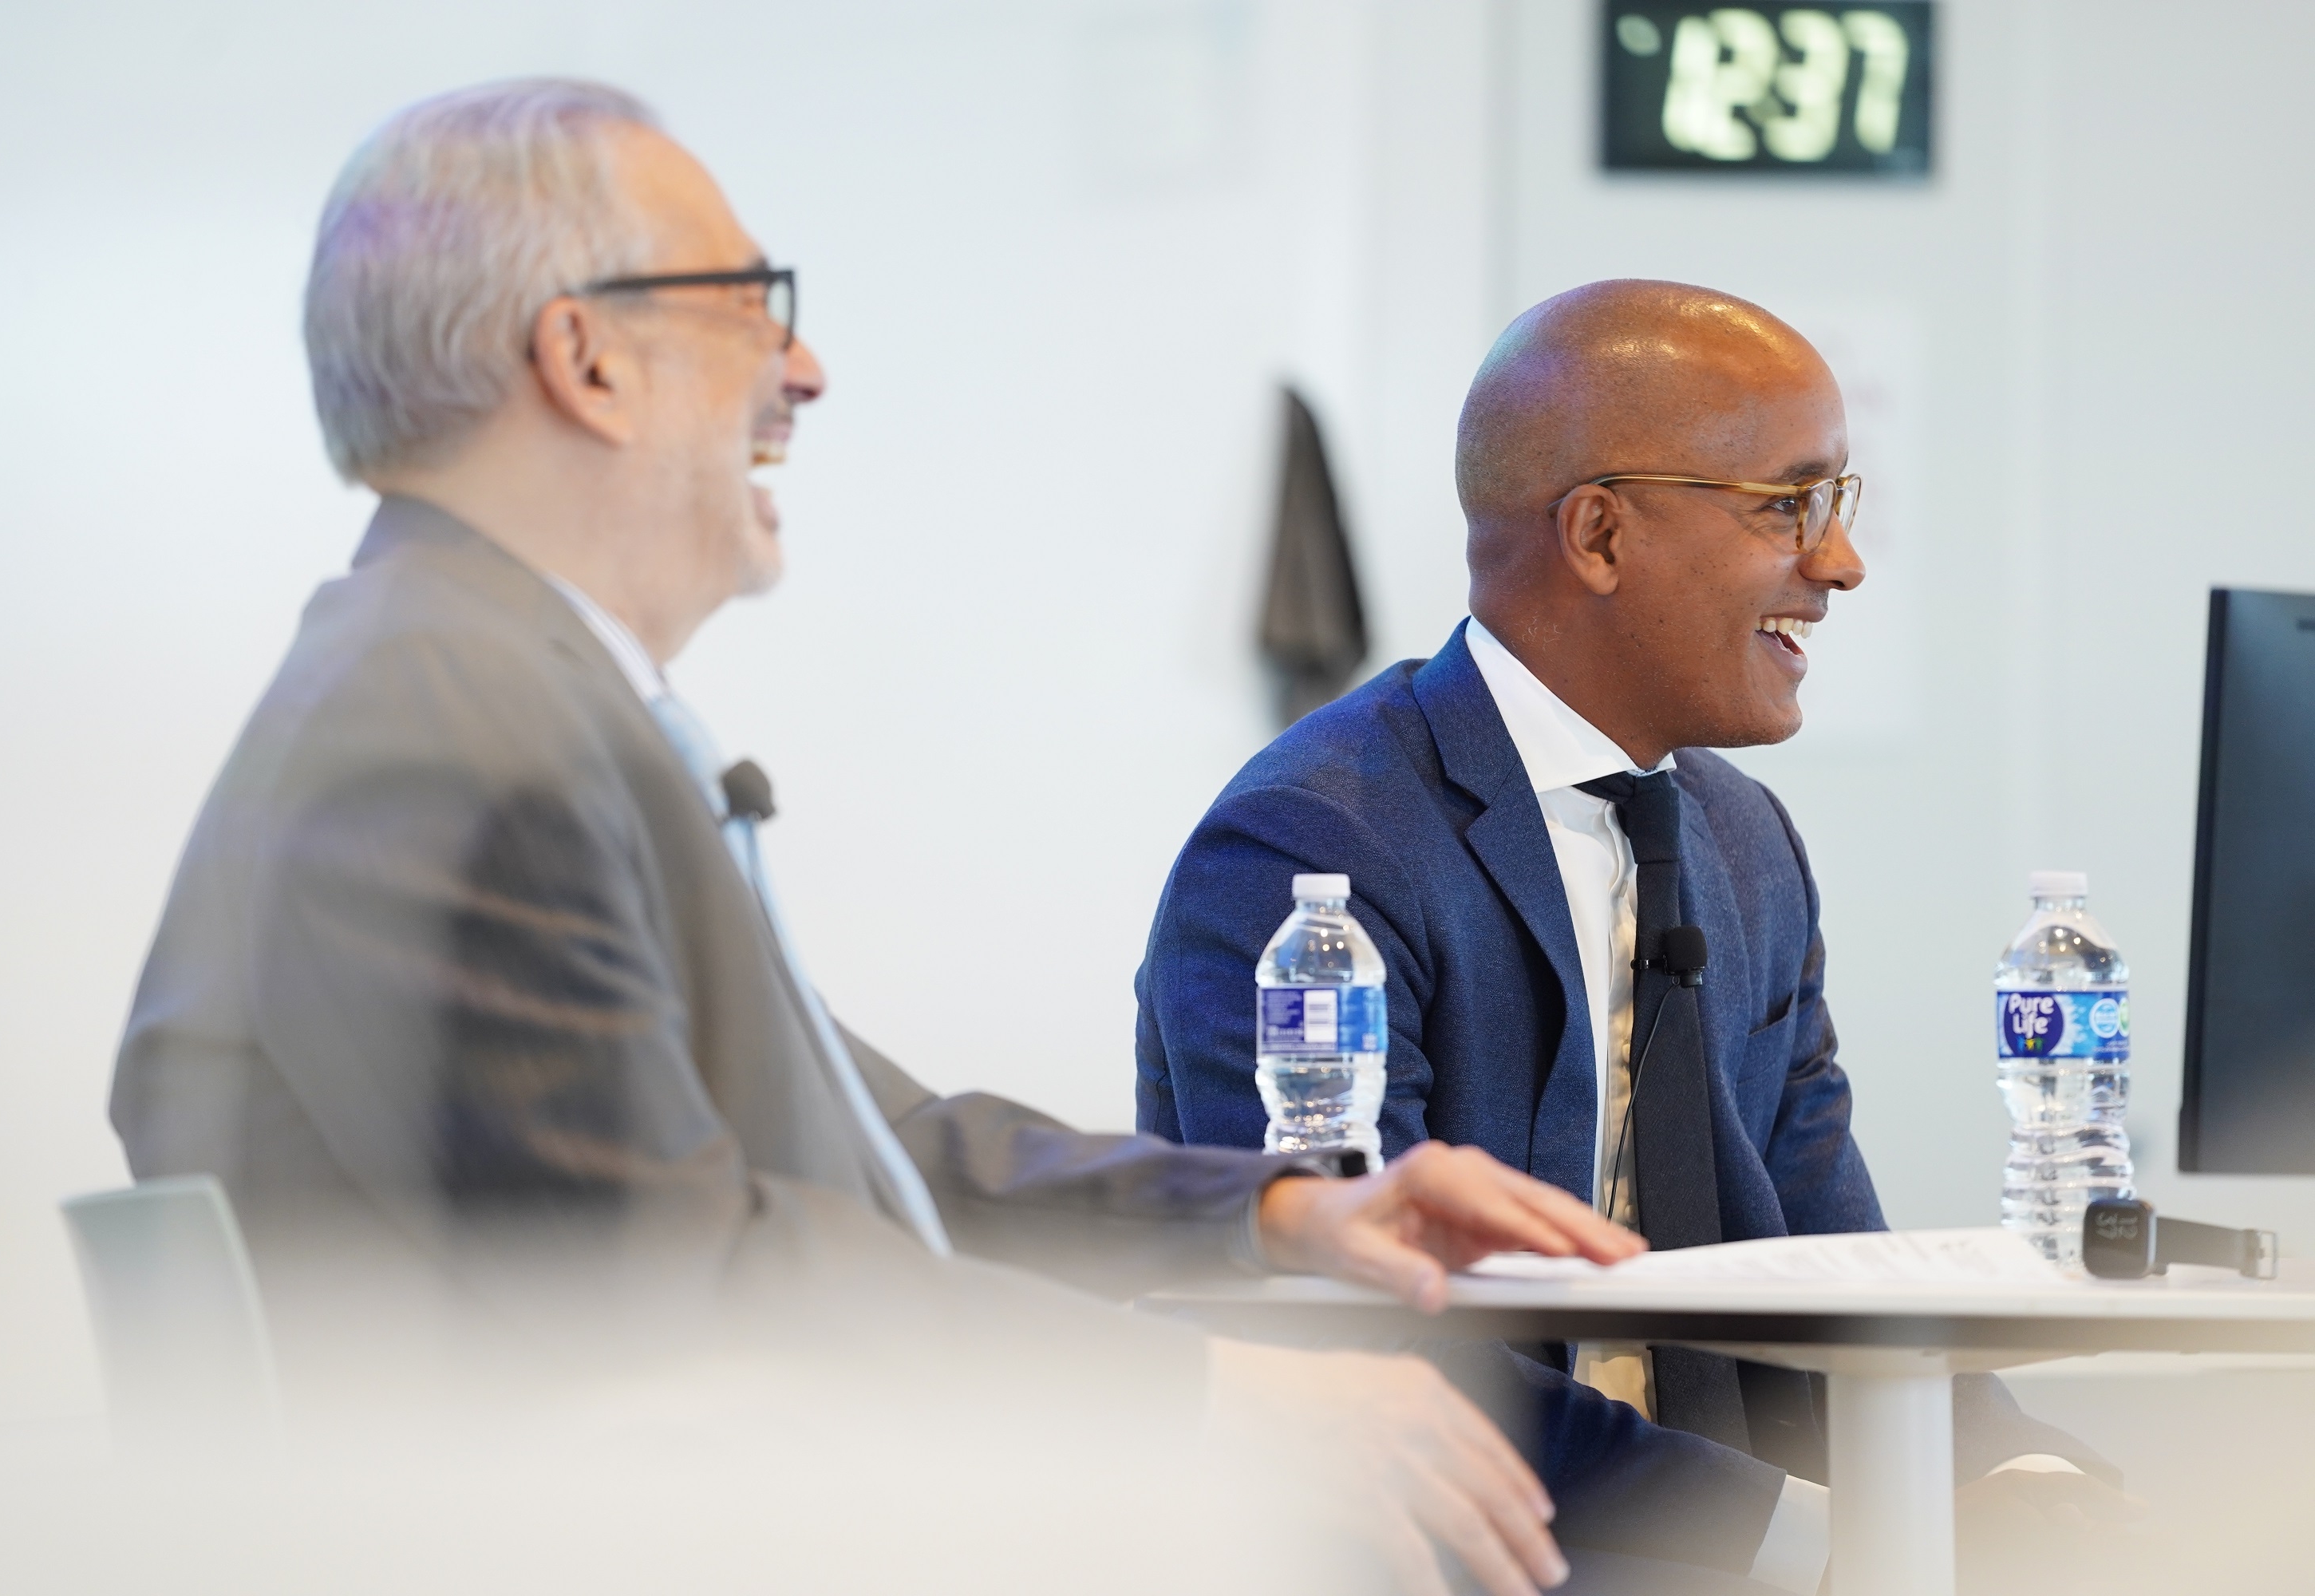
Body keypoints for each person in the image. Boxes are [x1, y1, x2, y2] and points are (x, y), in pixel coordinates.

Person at [106, 79, 1653, 1596]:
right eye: (750, 303)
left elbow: (870, 1141)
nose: (808, 368)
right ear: (584, 358)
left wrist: (1279, 1210)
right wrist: (1227, 1399)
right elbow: (676, 1273)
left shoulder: (479, 684)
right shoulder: (458, 729)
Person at [1134, 281, 2131, 1590]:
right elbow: (1370, 1347)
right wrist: (1819, 1546)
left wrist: (2015, 1478)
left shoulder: (1745, 844)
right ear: (1599, 534)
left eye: (1839, 507)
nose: (1840, 563)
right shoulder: (1312, 849)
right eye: (1790, 506)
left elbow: (1836, 1260)